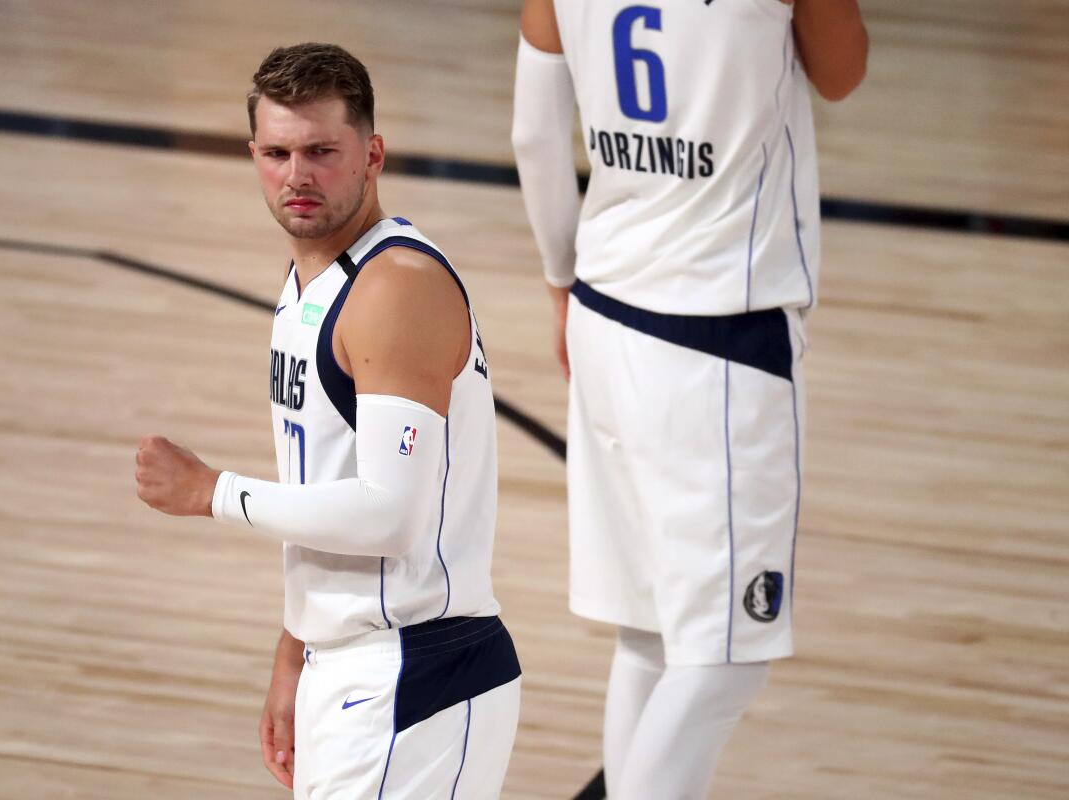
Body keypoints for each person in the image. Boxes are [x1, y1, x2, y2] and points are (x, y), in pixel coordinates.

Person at [135, 43, 521, 799]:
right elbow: (329, 490)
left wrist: (210, 491)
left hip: (418, 673)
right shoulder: (309, 280)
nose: (297, 174)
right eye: (277, 153)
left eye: (321, 151)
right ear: (252, 156)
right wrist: (294, 651)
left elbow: (388, 515)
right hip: (352, 665)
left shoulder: (394, 289)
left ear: (372, 153)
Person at [511, 1, 867, 797]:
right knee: (727, 658)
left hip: (605, 308)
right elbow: (843, 74)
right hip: (718, 337)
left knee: (651, 639)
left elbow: (533, 135)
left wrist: (559, 283)